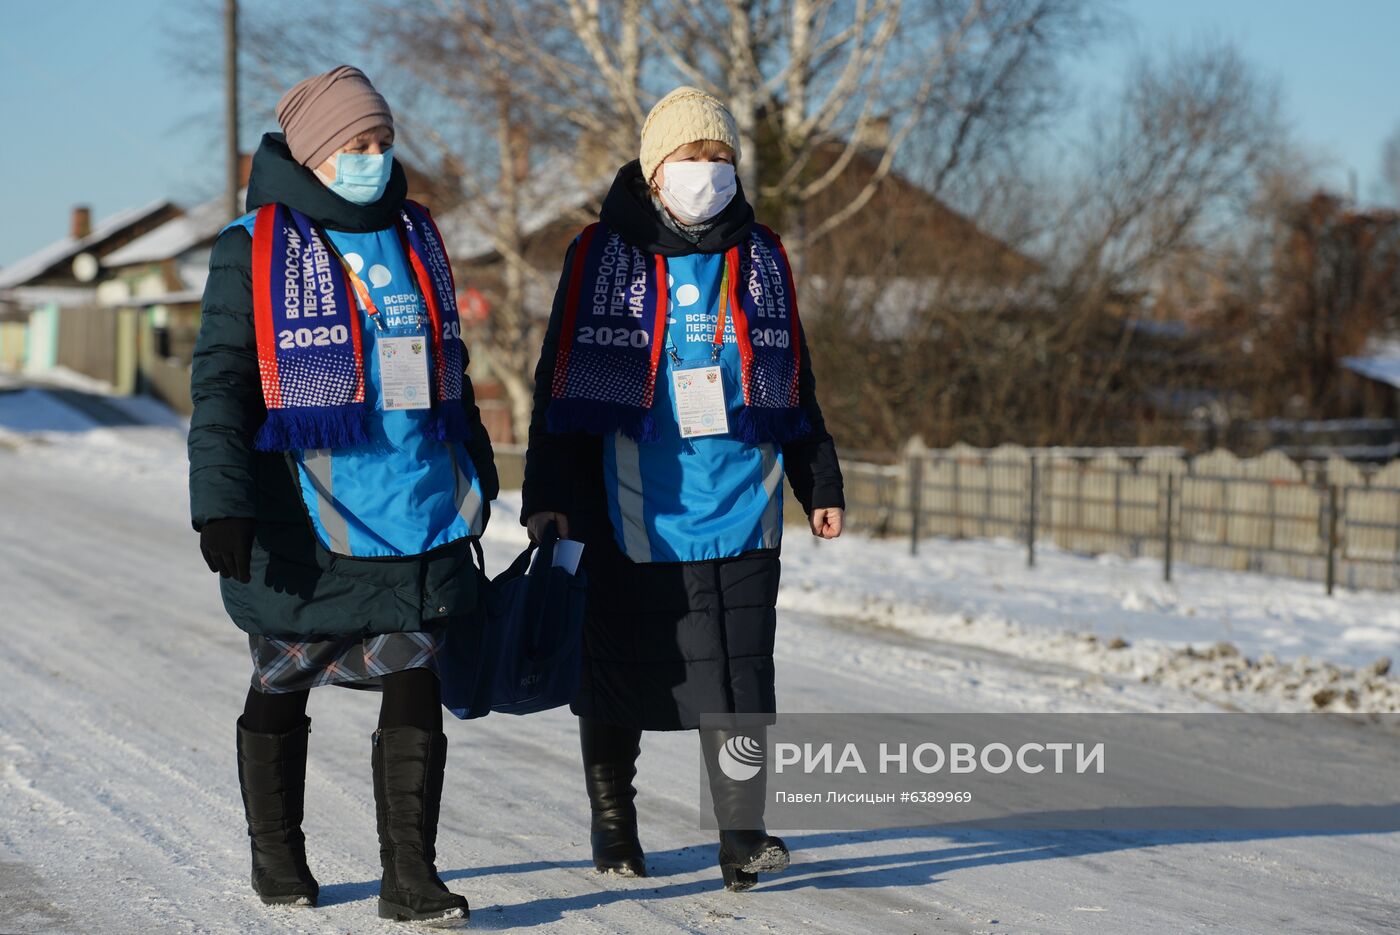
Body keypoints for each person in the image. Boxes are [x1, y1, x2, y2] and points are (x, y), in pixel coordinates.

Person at [188, 65, 497, 924]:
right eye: (356, 144)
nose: (373, 158)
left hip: (415, 500)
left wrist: (474, 459)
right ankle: (277, 851)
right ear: (315, 152)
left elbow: (448, 366)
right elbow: (219, 383)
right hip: (304, 511)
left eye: (382, 143)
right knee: (282, 679)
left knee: (417, 673)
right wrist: (220, 499)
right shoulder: (252, 245)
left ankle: (411, 876)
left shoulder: (417, 236)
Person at [522, 86, 845, 891]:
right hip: (628, 500)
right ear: (653, 168)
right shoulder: (599, 253)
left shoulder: (762, 254)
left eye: (719, 159)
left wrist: (819, 479)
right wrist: (546, 493)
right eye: (690, 158)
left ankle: (742, 832)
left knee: (741, 673)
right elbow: (557, 382)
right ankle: (613, 818)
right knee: (620, 669)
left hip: (743, 496)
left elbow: (794, 378)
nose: (706, 173)